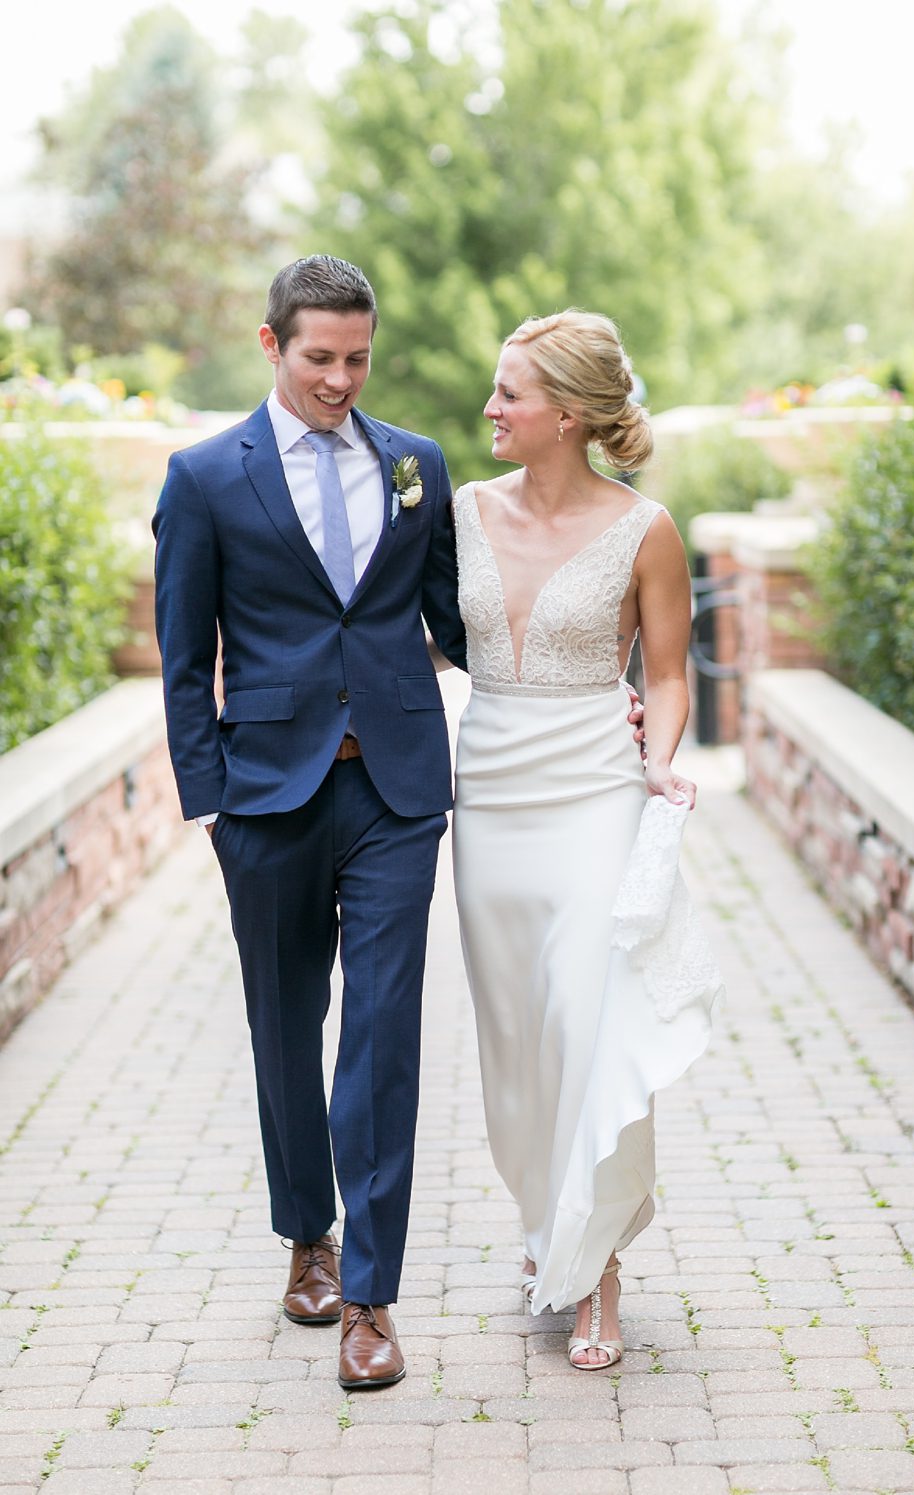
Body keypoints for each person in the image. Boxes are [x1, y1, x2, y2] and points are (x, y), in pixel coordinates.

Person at [153, 255, 464, 1390]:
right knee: (285, 1028)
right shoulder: (204, 477)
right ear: (273, 344)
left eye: (358, 358)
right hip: (266, 797)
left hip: (395, 792)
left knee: (382, 1038)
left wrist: (576, 669)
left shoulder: (415, 467)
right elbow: (185, 661)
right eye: (320, 357)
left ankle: (372, 1299)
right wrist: (214, 803)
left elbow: (456, 621)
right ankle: (307, 1238)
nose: (341, 379)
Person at [451, 310, 723, 1371]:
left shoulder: (645, 528)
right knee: (515, 1036)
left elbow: (667, 668)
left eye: (508, 393)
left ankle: (600, 1267)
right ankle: (545, 1231)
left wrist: (660, 752)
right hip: (491, 796)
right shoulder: (461, 513)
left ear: (566, 413)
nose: (489, 409)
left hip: (594, 789)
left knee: (588, 1021)